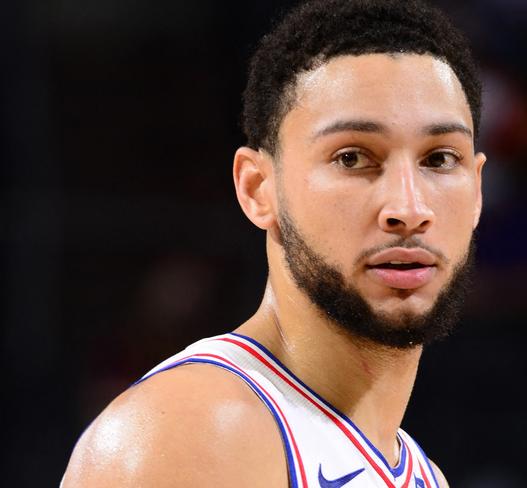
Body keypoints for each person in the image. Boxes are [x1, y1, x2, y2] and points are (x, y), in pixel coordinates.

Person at [62, 0, 486, 486]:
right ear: (258, 189)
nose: (409, 209)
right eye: (352, 158)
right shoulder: (197, 432)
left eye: (438, 159)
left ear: (476, 190)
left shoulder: (421, 473)